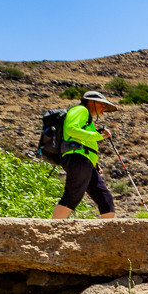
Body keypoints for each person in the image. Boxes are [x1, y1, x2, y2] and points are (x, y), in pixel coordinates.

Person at [51, 91, 117, 219]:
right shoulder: (80, 110)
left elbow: (85, 140)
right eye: (102, 104)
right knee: (72, 196)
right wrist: (99, 136)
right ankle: (49, 230)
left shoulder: (87, 119)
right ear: (91, 101)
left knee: (104, 198)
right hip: (78, 158)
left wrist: (95, 164)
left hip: (86, 161)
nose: (104, 108)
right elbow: (71, 129)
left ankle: (109, 234)